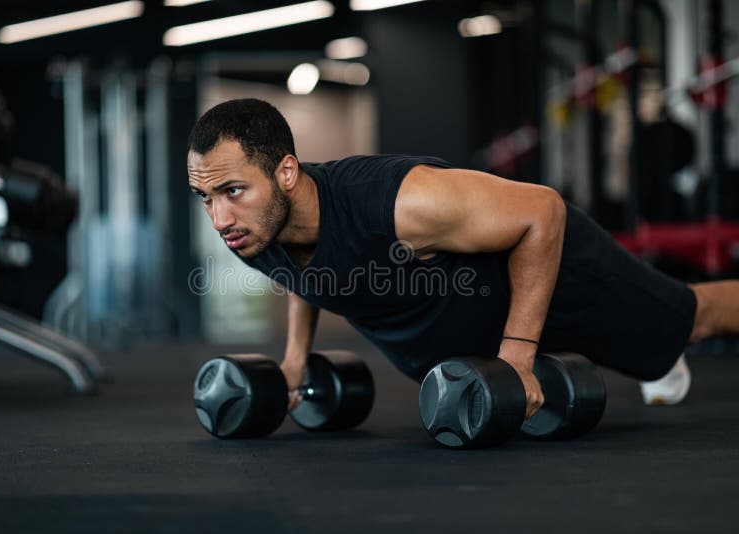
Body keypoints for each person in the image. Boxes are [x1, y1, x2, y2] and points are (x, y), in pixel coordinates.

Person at [187, 98, 735, 418]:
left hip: (555, 277)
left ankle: (660, 343)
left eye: (231, 191)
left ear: (285, 172)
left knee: (693, 320)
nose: (218, 218)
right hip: (476, 332)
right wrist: (293, 360)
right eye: (206, 198)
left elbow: (542, 212)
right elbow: (308, 273)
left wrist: (518, 357)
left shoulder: (397, 202)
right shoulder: (256, 227)